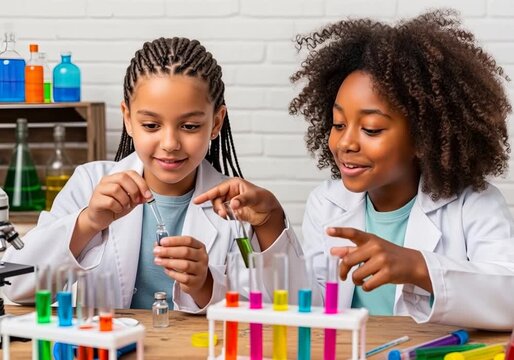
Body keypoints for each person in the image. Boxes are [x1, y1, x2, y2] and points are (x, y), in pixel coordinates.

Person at [196, 9, 514, 330]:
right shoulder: (328, 202)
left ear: (423, 137)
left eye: (371, 129)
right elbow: (310, 305)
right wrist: (271, 223)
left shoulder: (474, 204)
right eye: (338, 124)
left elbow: (509, 298)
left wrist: (418, 267)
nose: (346, 142)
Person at [3, 37, 308, 312]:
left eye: (189, 126)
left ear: (216, 123)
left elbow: (287, 308)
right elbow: (18, 286)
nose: (170, 144)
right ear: (128, 119)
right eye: (151, 125)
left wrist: (206, 284)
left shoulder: (238, 211)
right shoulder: (89, 184)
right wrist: (87, 223)